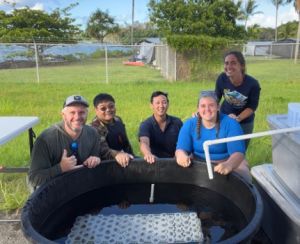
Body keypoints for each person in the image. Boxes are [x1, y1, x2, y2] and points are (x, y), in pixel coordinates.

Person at [175, 90, 251, 183]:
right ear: (198, 109)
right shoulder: (189, 124)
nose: (207, 109)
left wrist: (228, 165)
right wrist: (181, 155)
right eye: (203, 106)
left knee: (244, 174)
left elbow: (238, 153)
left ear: (218, 107)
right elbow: (180, 149)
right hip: (198, 163)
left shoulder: (231, 124)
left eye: (211, 105)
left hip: (225, 162)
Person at [29, 95, 102, 188]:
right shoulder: (45, 140)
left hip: (81, 187)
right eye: (72, 112)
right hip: (53, 191)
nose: (77, 117)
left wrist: (95, 159)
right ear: (63, 115)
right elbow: (33, 179)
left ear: (87, 114)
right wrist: (60, 168)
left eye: (82, 112)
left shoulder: (93, 133)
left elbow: (96, 156)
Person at [215, 51, 261, 149]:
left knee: (240, 151)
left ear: (242, 66)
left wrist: (237, 119)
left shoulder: (253, 84)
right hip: (224, 118)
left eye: (233, 63)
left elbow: (252, 107)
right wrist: (203, 111)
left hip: (245, 122)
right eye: (226, 63)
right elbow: (216, 98)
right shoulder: (222, 78)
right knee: (223, 149)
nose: (229, 66)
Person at [91, 93, 134, 167]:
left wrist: (131, 155)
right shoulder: (94, 127)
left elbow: (126, 144)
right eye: (103, 109)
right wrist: (117, 154)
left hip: (125, 158)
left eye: (111, 107)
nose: (108, 110)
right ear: (96, 110)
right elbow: (102, 150)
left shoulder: (118, 120)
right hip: (106, 164)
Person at [138, 91, 183, 164]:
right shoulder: (146, 125)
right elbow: (144, 143)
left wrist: (180, 155)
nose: (161, 106)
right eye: (157, 103)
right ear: (151, 105)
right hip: (154, 163)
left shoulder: (177, 122)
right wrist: (148, 154)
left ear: (168, 104)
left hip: (176, 162)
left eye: (164, 102)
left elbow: (184, 141)